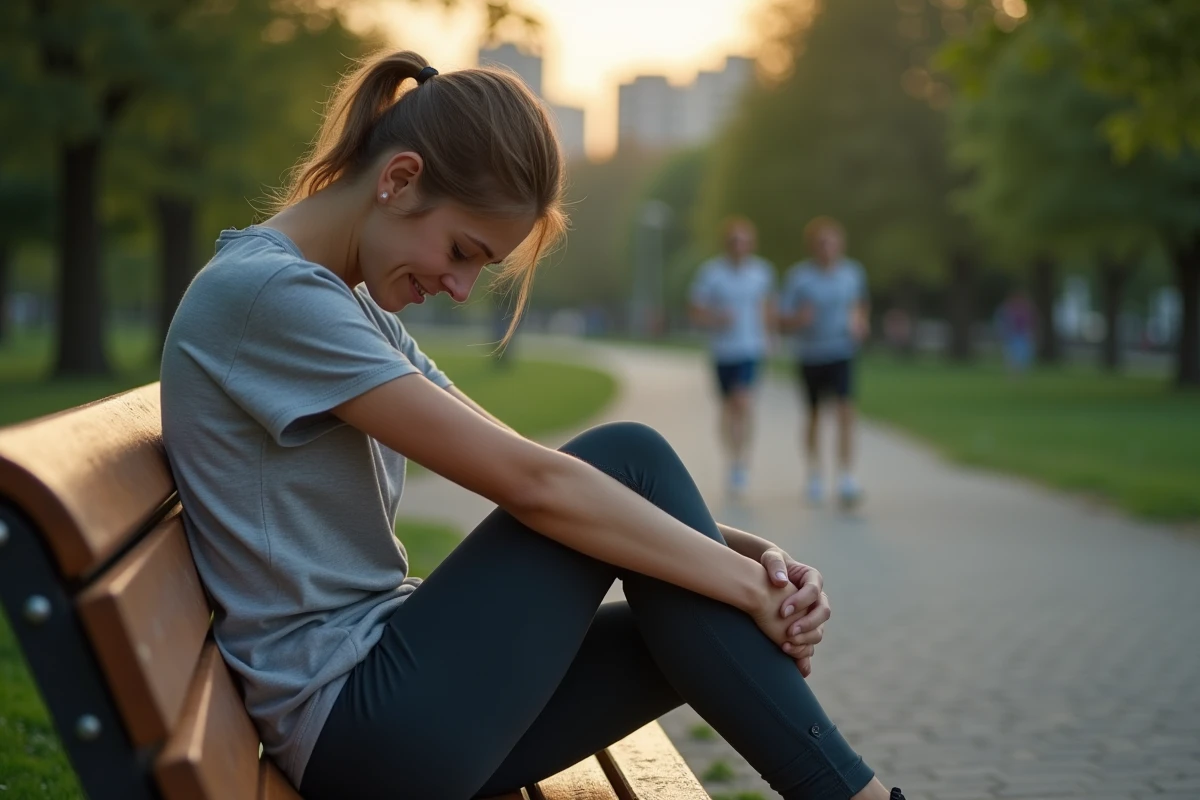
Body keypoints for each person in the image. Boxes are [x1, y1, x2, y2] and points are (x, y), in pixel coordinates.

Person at [160, 51, 906, 800]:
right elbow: (535, 485)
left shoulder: (339, 306)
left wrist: (763, 561)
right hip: (359, 733)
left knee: (685, 599)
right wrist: (748, 585)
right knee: (630, 457)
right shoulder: (270, 296)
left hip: (392, 713)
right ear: (398, 179)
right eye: (462, 252)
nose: (457, 288)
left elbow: (530, 465)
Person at [780, 217, 870, 508]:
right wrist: (798, 319)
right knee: (815, 414)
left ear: (840, 245)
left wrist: (859, 322)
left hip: (841, 351)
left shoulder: (852, 273)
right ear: (813, 247)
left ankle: (846, 476)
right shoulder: (799, 278)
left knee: (846, 411)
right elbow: (783, 319)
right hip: (810, 354)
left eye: (832, 242)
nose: (827, 248)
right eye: (822, 243)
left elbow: (859, 305)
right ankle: (814, 473)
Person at [687, 218, 775, 498]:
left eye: (744, 240)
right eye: (734, 240)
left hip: (750, 349)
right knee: (728, 408)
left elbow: (767, 308)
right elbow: (696, 310)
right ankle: (731, 460)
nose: (740, 245)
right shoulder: (712, 274)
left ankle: (741, 463)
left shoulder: (762, 273)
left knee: (743, 402)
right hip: (723, 351)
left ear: (751, 244)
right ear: (727, 244)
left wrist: (771, 336)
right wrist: (716, 318)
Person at [996, 289, 1034, 374]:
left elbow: (1031, 322)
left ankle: (1018, 372)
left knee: (1022, 355)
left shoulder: (1026, 309)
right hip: (1011, 335)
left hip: (1022, 335)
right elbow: (1002, 322)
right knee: (1012, 355)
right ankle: (1014, 373)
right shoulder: (1007, 309)